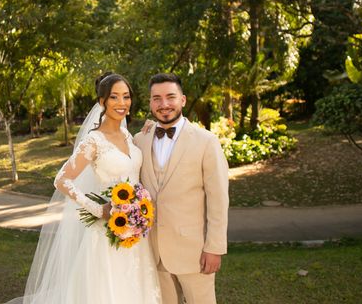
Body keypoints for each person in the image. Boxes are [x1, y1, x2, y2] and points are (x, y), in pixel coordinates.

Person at [13, 72, 162, 304]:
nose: (122, 103)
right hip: (105, 236)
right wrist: (98, 209)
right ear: (102, 102)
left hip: (135, 235)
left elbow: (133, 170)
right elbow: (62, 180)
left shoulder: (127, 135)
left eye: (126, 96)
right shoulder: (93, 141)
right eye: (114, 97)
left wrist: (150, 130)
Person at [134, 73, 229, 304]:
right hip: (153, 252)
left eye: (170, 97)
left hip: (194, 252)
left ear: (183, 100)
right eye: (156, 98)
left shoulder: (206, 141)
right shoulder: (140, 140)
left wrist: (214, 247)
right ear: (150, 103)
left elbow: (218, 199)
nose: (164, 104)